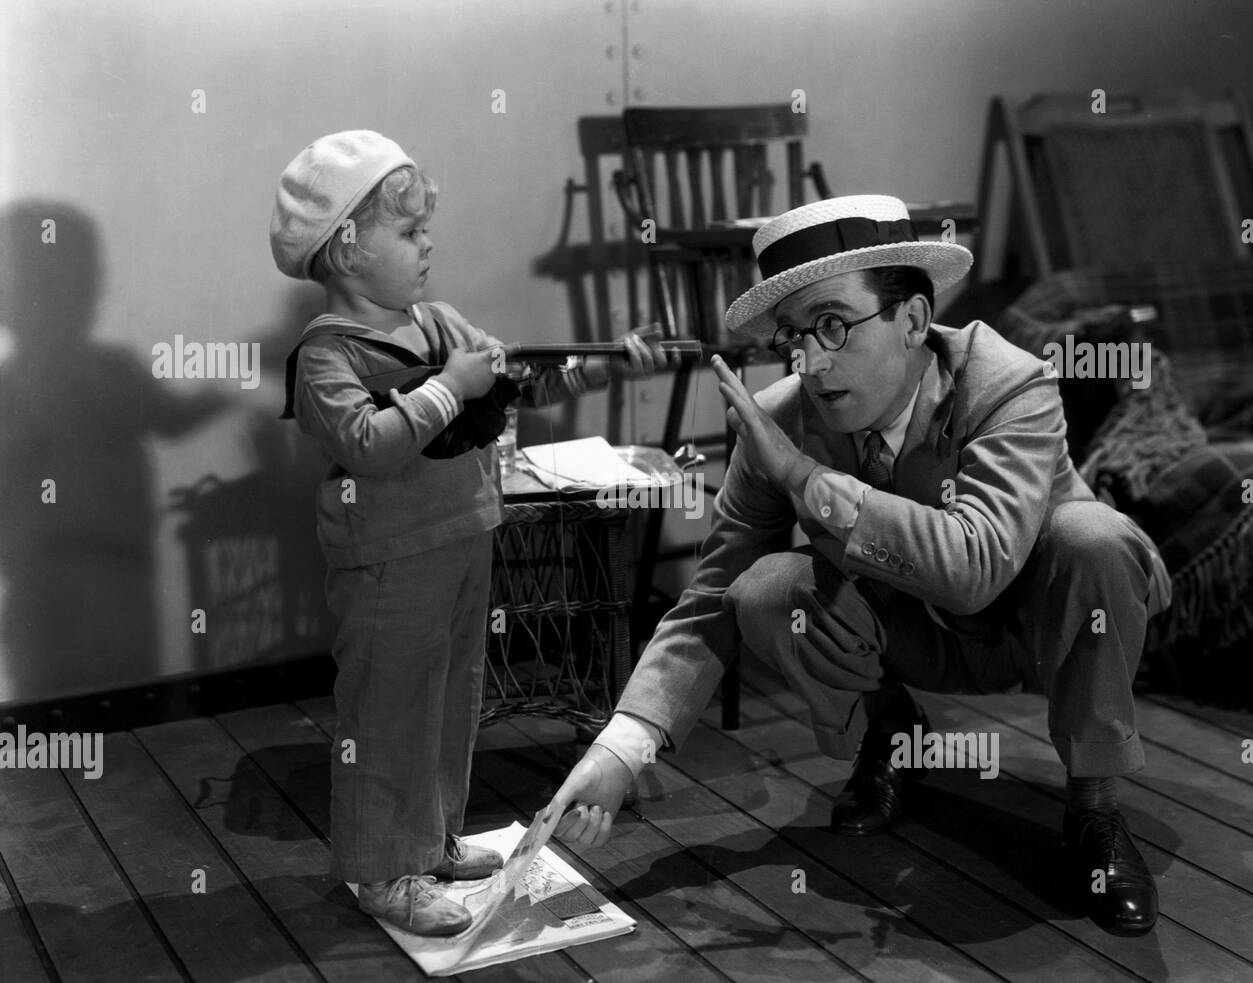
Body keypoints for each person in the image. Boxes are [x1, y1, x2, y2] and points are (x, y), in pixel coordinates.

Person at [550, 194, 1171, 934]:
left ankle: (1094, 808)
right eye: (793, 336)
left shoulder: (1009, 384)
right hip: (910, 632)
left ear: (912, 321)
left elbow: (977, 565)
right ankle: (892, 730)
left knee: (1093, 536)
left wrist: (812, 484)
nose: (810, 362)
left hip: (1036, 628)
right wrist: (622, 749)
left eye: (834, 326)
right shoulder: (781, 419)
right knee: (767, 590)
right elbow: (714, 593)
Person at [270, 130, 663, 936]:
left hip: (463, 537)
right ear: (346, 248)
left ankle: (433, 839)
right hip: (387, 561)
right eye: (409, 233)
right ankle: (383, 869)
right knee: (389, 712)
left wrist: (603, 364)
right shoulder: (326, 357)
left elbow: (512, 385)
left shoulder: (437, 322)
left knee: (452, 701)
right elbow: (370, 446)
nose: (428, 246)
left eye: (424, 231)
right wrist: (452, 386)